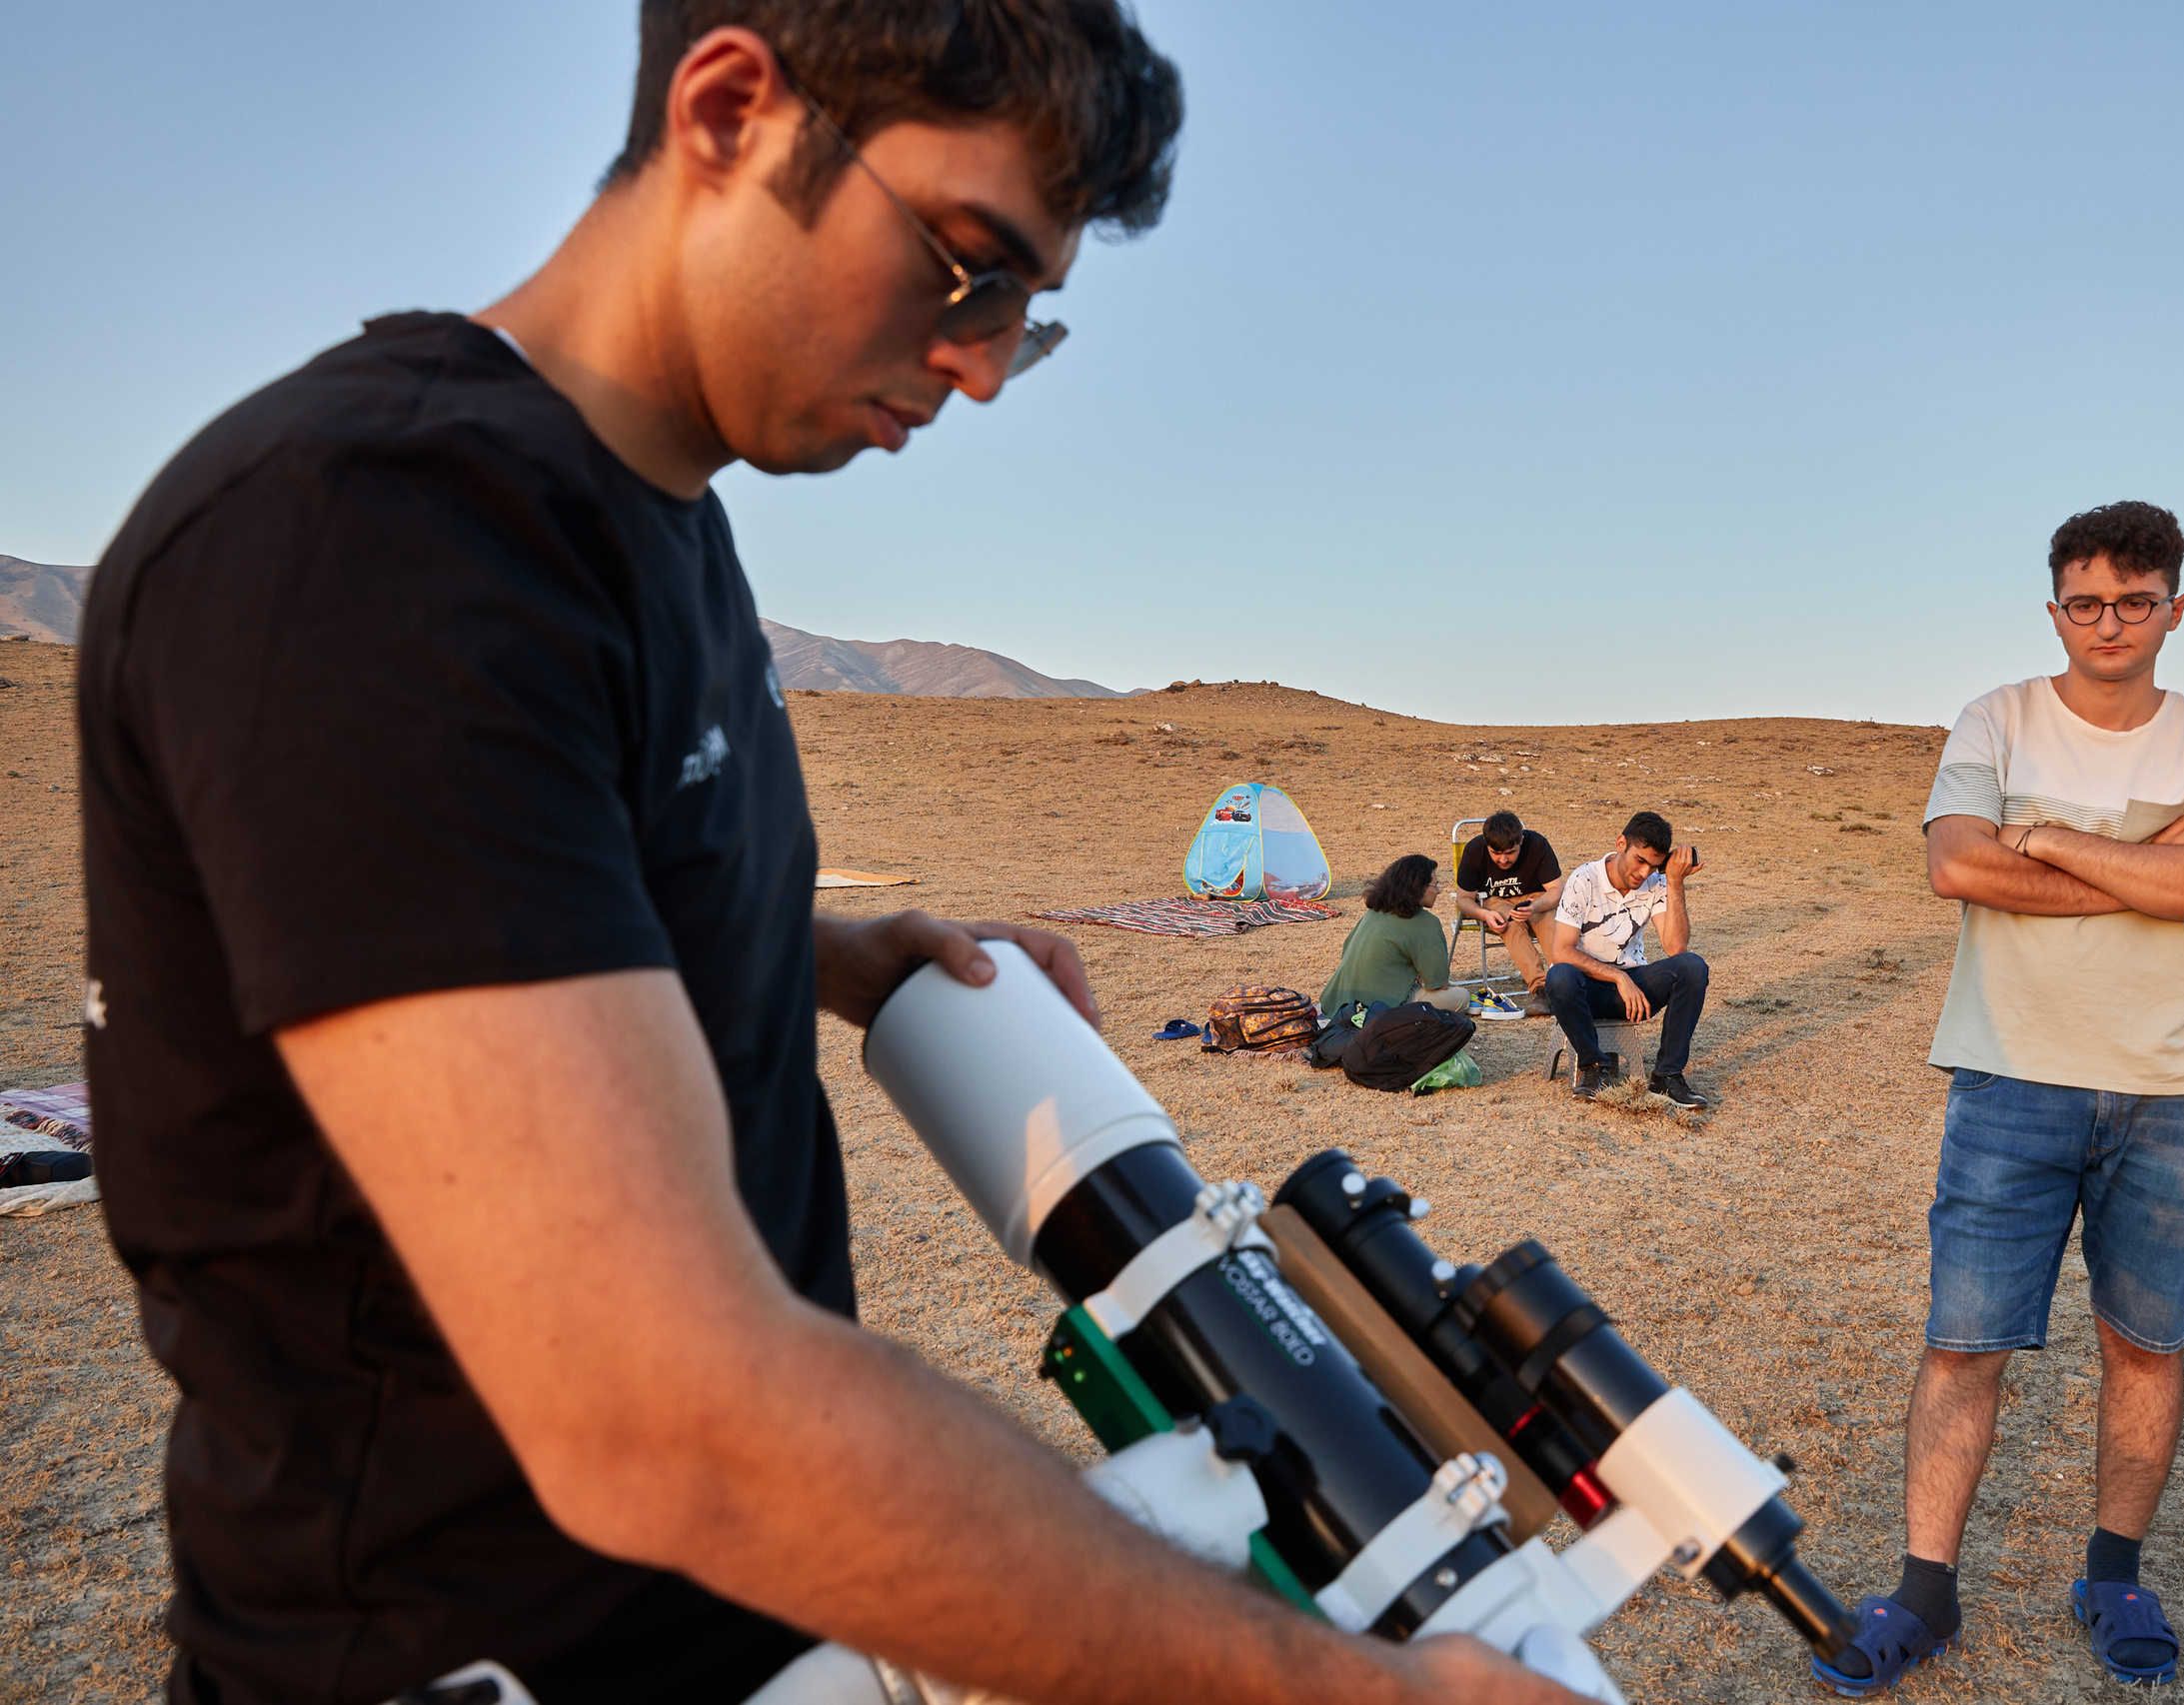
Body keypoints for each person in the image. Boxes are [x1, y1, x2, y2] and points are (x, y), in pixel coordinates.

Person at [75, 9, 1569, 1704]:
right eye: (966, 268)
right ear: (730, 111)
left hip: (740, 1624)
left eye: (1024, 319)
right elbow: (661, 1413)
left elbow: (515, 892)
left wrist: (825, 952)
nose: (982, 368)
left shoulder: (653, 527)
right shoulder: (384, 538)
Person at [1812, 502, 2184, 1697]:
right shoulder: (1996, 718)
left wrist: (2049, 841)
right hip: (2012, 1075)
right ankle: (1924, 1589)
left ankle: (2113, 1576)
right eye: (2085, 602)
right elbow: (1955, 864)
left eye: (2133, 601)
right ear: (2054, 607)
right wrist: (2153, 861)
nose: (2108, 622)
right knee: (1962, 1344)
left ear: (2174, 607)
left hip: (2176, 1087)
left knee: (2144, 1348)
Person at [1545, 812, 1709, 1106]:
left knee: (1693, 967)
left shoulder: (1658, 883)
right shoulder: (1584, 878)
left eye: (1654, 866)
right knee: (1560, 975)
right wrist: (1618, 977)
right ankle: (1593, 1067)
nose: (1644, 873)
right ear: (1621, 843)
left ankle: (1667, 1076)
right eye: (1640, 860)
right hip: (1584, 990)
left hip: (1634, 994)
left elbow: (1676, 947)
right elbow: (1561, 951)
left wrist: (1674, 881)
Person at [1317, 853, 1473, 1018]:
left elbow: (1347, 951)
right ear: (1419, 886)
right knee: (1462, 997)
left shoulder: (1374, 912)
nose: (1438, 890)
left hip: (1337, 1002)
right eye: (1435, 884)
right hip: (1380, 1007)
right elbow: (1438, 984)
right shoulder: (1426, 922)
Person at [1453, 810, 1565, 1013]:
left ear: (1521, 840)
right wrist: (1484, 915)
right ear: (1486, 844)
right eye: (1496, 853)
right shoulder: (1474, 850)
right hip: (1494, 901)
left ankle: (1563, 982)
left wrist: (1535, 906)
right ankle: (1542, 988)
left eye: (1510, 852)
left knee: (1548, 918)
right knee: (1509, 922)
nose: (1503, 860)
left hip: (1535, 898)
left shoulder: (1537, 844)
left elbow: (1557, 890)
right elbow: (1463, 899)